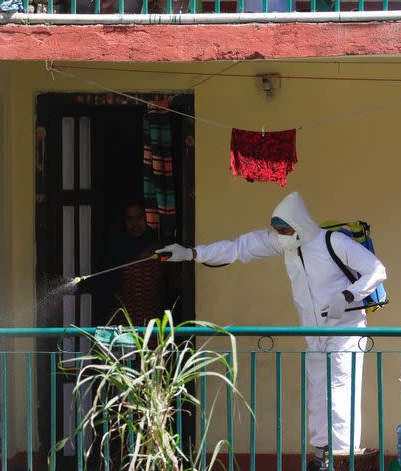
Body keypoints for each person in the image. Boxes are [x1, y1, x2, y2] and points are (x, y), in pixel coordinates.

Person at [157, 192, 387, 471]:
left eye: (284, 230)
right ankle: (322, 455)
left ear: (299, 224)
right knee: (317, 393)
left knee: (340, 393)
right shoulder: (287, 245)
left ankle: (342, 460)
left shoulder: (332, 242)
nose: (280, 235)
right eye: (278, 230)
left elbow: (376, 270)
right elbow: (238, 248)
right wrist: (191, 253)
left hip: (346, 328)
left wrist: (348, 296)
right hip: (314, 332)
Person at [103, 201, 165, 326]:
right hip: (126, 320)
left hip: (155, 320)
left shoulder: (160, 246)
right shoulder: (117, 249)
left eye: (140, 218)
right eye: (130, 219)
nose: (135, 224)